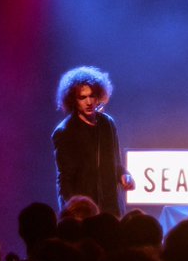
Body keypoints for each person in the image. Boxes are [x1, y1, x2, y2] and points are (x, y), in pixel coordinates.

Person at [51, 66, 134, 217]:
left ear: (98, 96)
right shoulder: (65, 131)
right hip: (84, 213)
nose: (89, 102)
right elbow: (64, 180)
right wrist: (73, 212)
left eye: (92, 96)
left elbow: (116, 163)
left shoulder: (107, 124)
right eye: (82, 97)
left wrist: (124, 175)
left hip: (111, 210)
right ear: (73, 100)